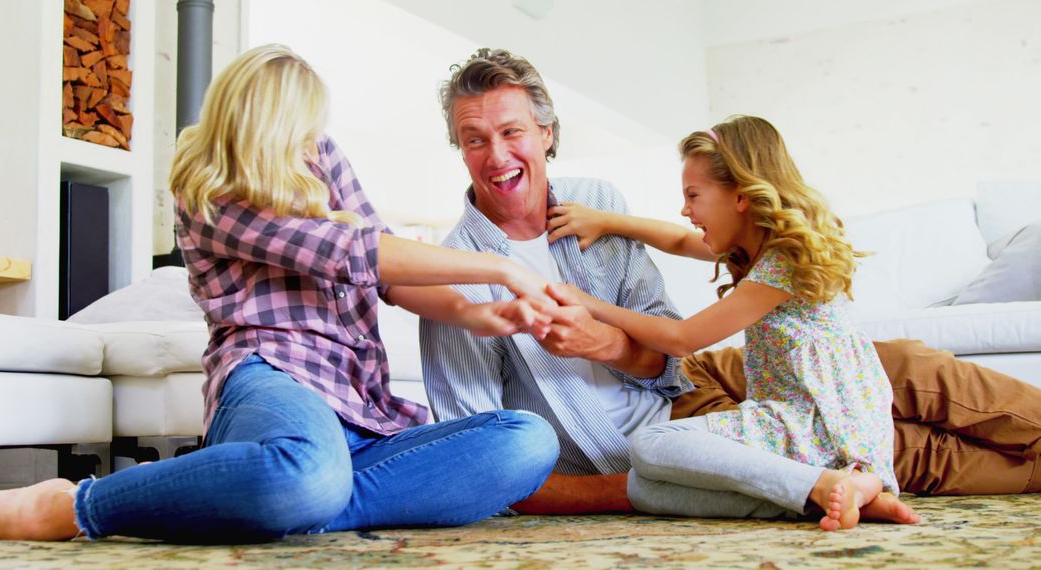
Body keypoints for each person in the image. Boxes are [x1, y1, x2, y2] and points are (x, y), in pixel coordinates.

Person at [0, 44, 561, 542]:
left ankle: (291, 500)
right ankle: (74, 505)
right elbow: (350, 251)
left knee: (527, 441)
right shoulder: (209, 187)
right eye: (302, 129)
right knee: (305, 470)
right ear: (265, 124)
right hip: (272, 379)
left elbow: (388, 271)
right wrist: (503, 269)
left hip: (358, 407)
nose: (315, 144)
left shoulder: (321, 154)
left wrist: (473, 311)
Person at [421, 47, 1041, 519]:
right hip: (650, 437)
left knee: (902, 365)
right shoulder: (456, 276)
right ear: (460, 149)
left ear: (546, 134)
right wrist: (638, 491)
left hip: (695, 376)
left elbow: (673, 337)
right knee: (896, 447)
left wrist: (604, 339)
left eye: (512, 132)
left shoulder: (593, 204)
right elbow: (479, 461)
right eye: (475, 139)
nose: (496, 155)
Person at [550, 115, 918, 530]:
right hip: (801, 426)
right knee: (645, 489)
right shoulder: (754, 246)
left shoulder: (782, 263)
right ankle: (840, 493)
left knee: (651, 445)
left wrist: (591, 305)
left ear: (740, 197)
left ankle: (822, 484)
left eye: (693, 195)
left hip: (813, 425)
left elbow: (682, 338)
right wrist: (607, 221)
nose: (685, 210)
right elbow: (677, 239)